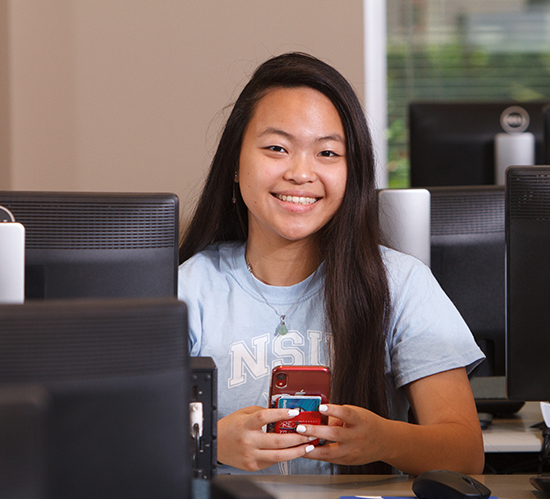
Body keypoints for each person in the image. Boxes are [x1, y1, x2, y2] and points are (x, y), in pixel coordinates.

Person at [178, 52, 485, 476]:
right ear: (234, 162)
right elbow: (120, 440)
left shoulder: (401, 283)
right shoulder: (188, 288)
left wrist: (383, 439)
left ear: (351, 171)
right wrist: (209, 442)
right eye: (277, 148)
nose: (302, 173)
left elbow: (466, 452)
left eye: (326, 153)